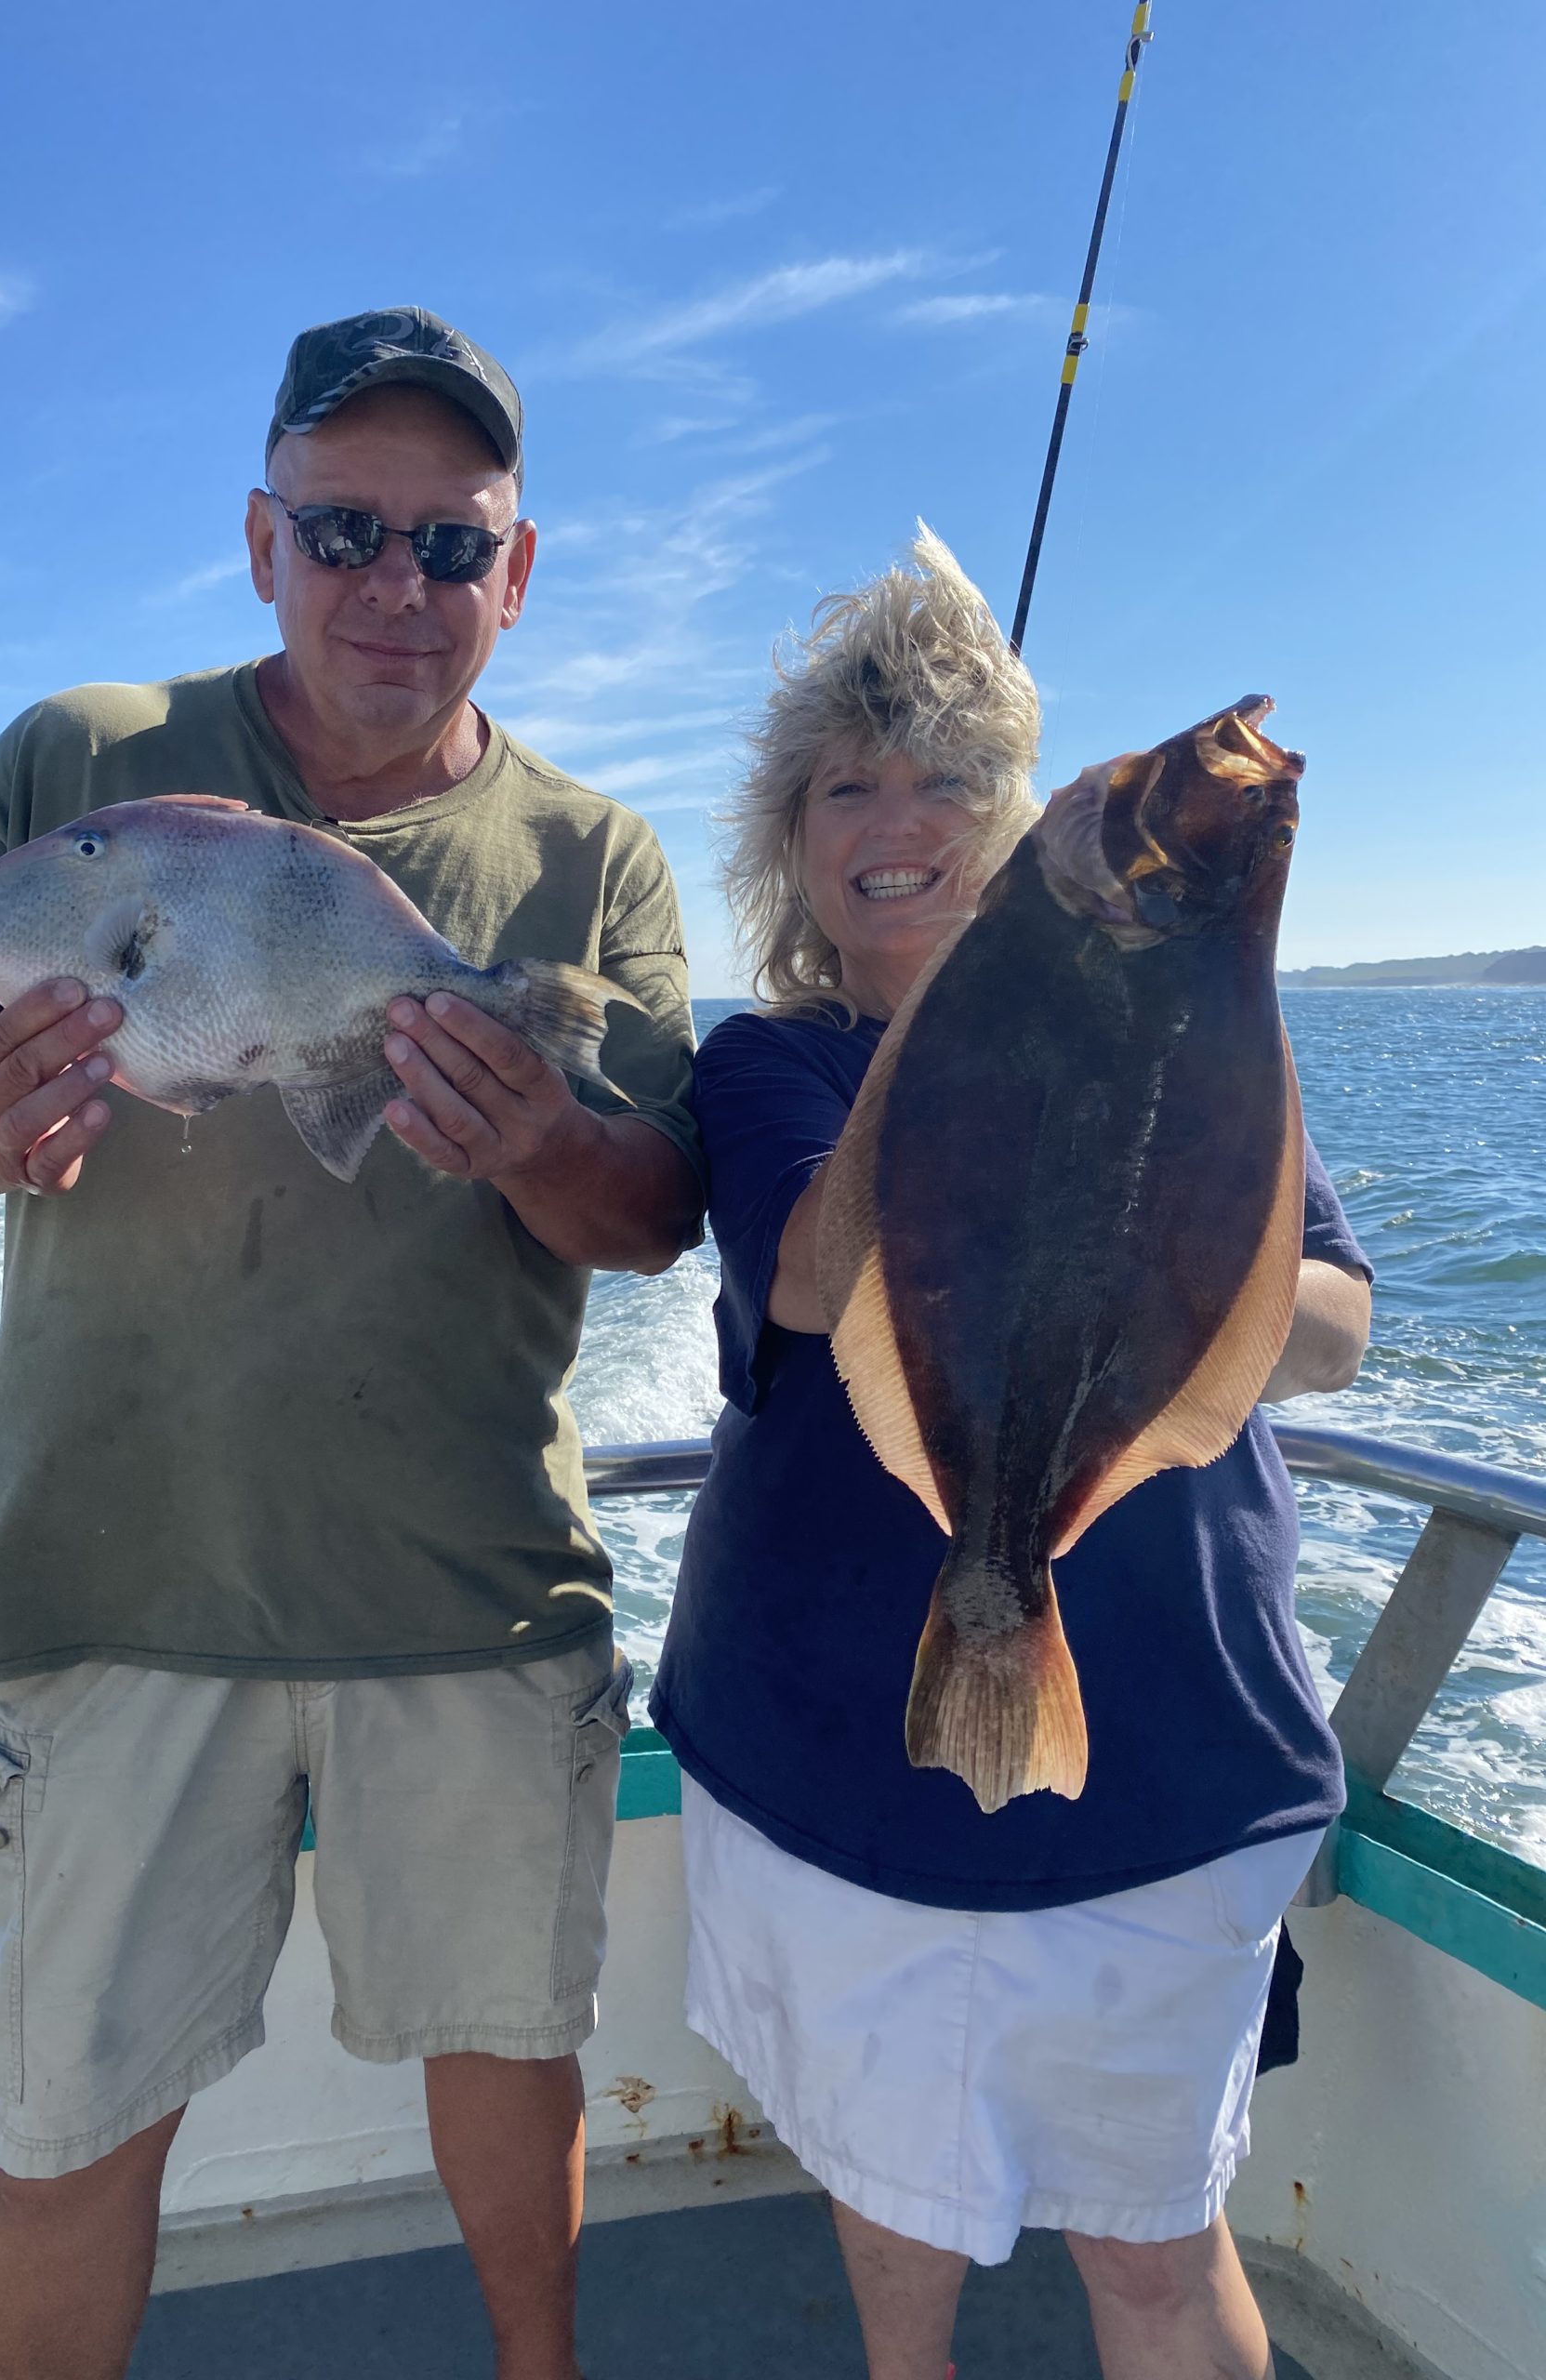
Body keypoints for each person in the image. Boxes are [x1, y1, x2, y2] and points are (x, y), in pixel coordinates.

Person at [0, 306, 704, 2380]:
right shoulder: (81, 762)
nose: (397, 587)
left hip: (471, 1589)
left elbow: (657, 1212)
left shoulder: (594, 859)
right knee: (72, 2116)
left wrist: (545, 1139)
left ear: (521, 569)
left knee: (508, 2056)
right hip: (117, 1576)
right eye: (343, 529)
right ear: (258, 539)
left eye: (451, 544)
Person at [650, 529, 1372, 2380]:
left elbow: (1336, 1327)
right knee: (899, 2217)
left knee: (1156, 2239)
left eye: (950, 775)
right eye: (846, 783)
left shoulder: (1181, 1027)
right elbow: (816, 1278)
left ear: (1020, 809)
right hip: (839, 1750)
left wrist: (1186, 1265)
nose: (896, 817)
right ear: (792, 834)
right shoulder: (770, 1061)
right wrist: (967, 1022)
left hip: (1168, 1753)